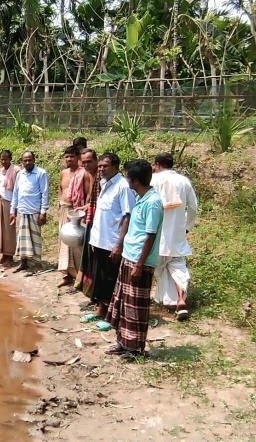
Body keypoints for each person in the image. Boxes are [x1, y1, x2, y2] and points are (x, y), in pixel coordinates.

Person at [106, 159, 164, 357]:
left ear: (135, 180)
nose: (127, 181)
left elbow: (150, 235)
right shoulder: (141, 198)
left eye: (128, 177)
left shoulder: (153, 202)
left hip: (140, 261)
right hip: (129, 257)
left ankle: (135, 347)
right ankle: (123, 342)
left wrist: (139, 265)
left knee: (136, 307)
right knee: (123, 302)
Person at [86, 153, 136, 320]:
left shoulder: (123, 186)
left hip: (112, 242)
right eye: (99, 166)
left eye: (104, 166)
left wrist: (118, 244)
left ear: (115, 167)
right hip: (99, 240)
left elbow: (127, 216)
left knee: (110, 278)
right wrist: (94, 238)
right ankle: (101, 309)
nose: (101, 169)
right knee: (99, 277)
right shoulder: (104, 184)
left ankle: (111, 314)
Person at [151, 152, 198, 321]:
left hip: (154, 235)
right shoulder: (184, 181)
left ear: (157, 164)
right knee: (178, 267)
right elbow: (193, 207)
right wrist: (186, 227)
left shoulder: (153, 180)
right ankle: (180, 299)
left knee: (154, 267)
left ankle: (146, 301)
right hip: (176, 235)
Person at [10, 151, 49, 273]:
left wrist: (43, 212)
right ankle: (23, 263)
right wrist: (13, 210)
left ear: (34, 160)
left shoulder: (41, 173)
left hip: (34, 211)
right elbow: (15, 193)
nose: (27, 162)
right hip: (22, 210)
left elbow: (45, 193)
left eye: (29, 160)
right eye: (25, 160)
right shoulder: (20, 174)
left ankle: (37, 264)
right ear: (22, 161)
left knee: (35, 239)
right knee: (22, 238)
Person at [57, 145, 83, 287]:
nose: (69, 159)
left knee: (76, 244)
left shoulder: (82, 173)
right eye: (66, 156)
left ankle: (78, 275)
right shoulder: (64, 173)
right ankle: (67, 275)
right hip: (64, 209)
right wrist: (59, 203)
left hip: (76, 212)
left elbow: (86, 193)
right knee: (64, 243)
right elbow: (60, 189)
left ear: (77, 157)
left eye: (72, 156)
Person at [75, 149, 100, 293]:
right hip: (91, 220)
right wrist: (85, 207)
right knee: (89, 257)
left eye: (89, 162)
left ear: (96, 161)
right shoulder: (92, 177)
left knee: (94, 259)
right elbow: (93, 201)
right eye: (83, 162)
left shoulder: (101, 179)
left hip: (100, 225)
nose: (86, 165)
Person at [0, 150, 20, 267]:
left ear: (10, 159)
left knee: (9, 230)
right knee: (1, 228)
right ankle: (4, 254)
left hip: (10, 202)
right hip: (0, 200)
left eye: (5, 159)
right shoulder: (1, 171)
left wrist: (15, 208)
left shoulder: (16, 170)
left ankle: (10, 256)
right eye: (1, 159)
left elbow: (18, 189)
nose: (3, 161)